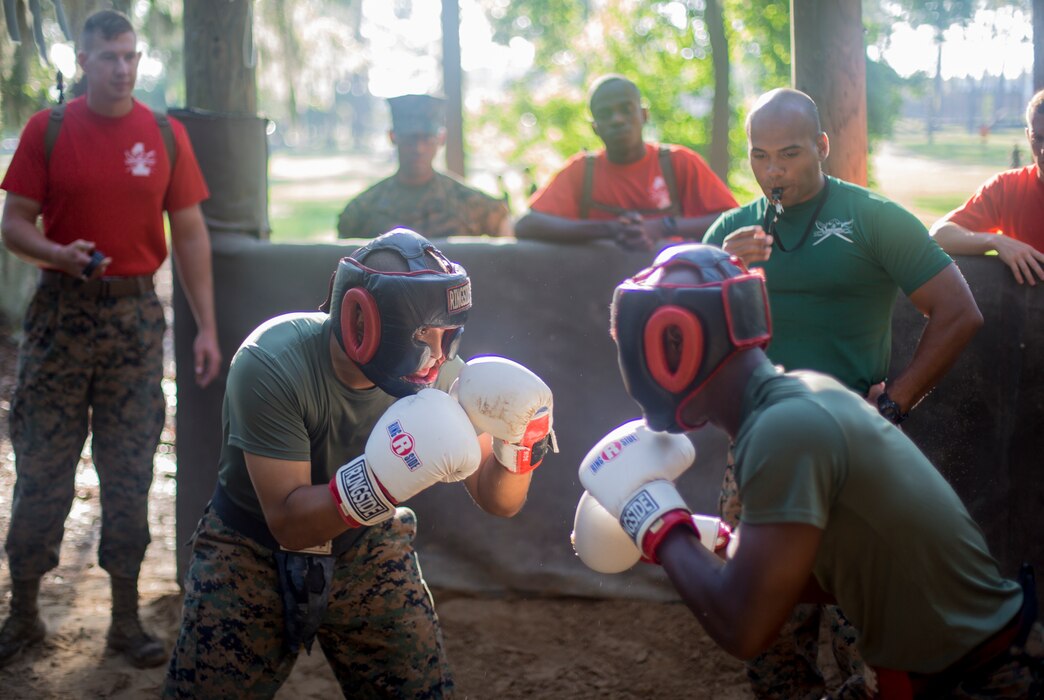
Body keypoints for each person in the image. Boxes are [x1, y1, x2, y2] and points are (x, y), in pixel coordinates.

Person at [575, 243, 1043, 699]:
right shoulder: (807, 392)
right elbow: (834, 570)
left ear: (675, 341)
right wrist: (713, 545)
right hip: (960, 662)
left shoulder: (784, 430)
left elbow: (744, 628)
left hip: (981, 678)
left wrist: (658, 523)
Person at [164, 229, 556, 698]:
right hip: (249, 549)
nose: (437, 353)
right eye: (421, 333)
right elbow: (288, 523)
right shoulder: (272, 360)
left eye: (448, 334)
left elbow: (498, 501)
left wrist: (521, 445)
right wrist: (379, 481)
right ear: (362, 321)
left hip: (366, 546)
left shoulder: (439, 372)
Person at [701, 88, 983, 697]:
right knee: (769, 621)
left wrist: (893, 404)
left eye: (791, 153)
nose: (774, 171)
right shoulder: (730, 231)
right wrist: (719, 271)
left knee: (871, 628)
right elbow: (680, 339)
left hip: (855, 443)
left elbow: (959, 311)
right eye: (760, 156)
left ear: (823, 147)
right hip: (760, 446)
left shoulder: (871, 217)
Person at [0, 10, 221, 669]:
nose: (123, 69)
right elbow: (13, 223)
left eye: (131, 56)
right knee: (42, 464)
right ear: (84, 59)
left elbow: (190, 233)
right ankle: (23, 614)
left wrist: (207, 325)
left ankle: (126, 621)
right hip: (60, 317)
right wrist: (57, 253)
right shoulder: (51, 128)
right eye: (109, 58)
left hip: (134, 322)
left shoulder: (163, 134)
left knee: (128, 470)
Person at [514, 74, 738, 251]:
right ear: (595, 127)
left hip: (673, 289)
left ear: (644, 115)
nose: (617, 119)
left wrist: (662, 227)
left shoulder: (678, 163)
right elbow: (527, 225)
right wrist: (609, 229)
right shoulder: (582, 171)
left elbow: (735, 222)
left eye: (626, 109)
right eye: (605, 114)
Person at [337, 94, 511, 239]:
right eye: (410, 138)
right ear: (393, 137)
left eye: (427, 138)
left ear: (441, 138)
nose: (418, 148)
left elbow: (505, 238)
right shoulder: (363, 211)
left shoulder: (467, 201)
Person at [929, 88, 1044, 286]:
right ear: (1028, 136)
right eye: (1038, 138)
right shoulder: (1007, 188)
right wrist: (996, 241)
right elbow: (939, 235)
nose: (1043, 150)